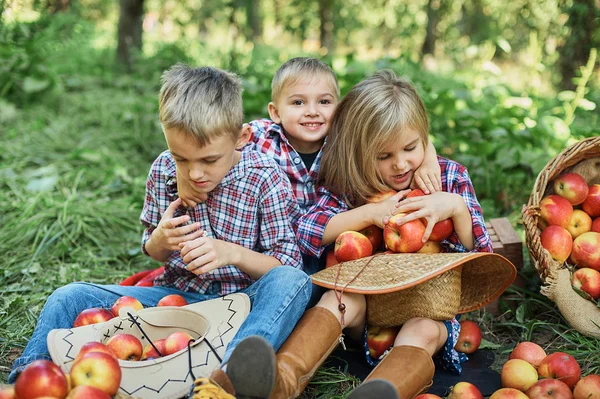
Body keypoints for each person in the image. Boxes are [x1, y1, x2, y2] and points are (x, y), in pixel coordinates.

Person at [9, 65, 311, 399]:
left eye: (209, 160)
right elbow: (152, 250)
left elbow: (287, 265)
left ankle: (227, 378)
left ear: (241, 137)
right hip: (176, 303)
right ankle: (28, 381)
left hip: (241, 305)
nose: (195, 173)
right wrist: (160, 241)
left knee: (294, 282)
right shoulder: (164, 169)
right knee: (69, 297)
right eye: (182, 158)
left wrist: (233, 254)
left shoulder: (264, 177)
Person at [269, 70, 498, 399]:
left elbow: (482, 256)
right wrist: (367, 214)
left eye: (411, 148)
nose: (401, 165)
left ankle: (385, 390)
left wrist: (456, 207)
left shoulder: (448, 178)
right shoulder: (353, 186)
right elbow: (305, 233)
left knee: (422, 330)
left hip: (428, 309)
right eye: (384, 156)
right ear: (361, 155)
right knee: (340, 299)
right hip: (369, 315)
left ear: (424, 138)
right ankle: (283, 377)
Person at [176, 58, 443, 297]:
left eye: (324, 102)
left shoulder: (343, 143)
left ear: (338, 110)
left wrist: (428, 155)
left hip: (320, 247)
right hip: (269, 248)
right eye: (298, 102)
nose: (312, 111)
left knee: (322, 287)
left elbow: (395, 134)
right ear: (275, 112)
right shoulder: (260, 137)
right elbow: (208, 144)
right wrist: (182, 175)